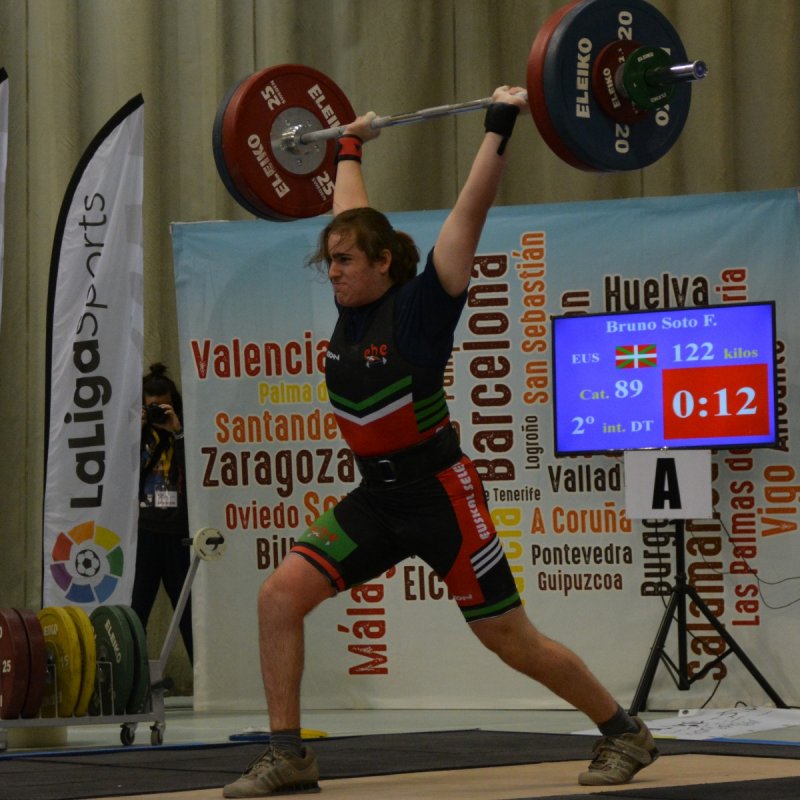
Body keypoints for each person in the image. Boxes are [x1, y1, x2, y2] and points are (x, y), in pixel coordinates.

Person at [223, 86, 657, 798]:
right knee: (279, 596)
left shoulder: (424, 307)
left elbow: (469, 213)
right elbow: (350, 218)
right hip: (378, 498)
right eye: (329, 261)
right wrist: (348, 145)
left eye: (344, 262)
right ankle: (288, 756)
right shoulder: (351, 298)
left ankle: (624, 731)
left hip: (441, 497)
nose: (333, 272)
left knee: (508, 638)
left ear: (383, 263)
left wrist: (499, 123)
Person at [132, 362, 194, 665]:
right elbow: (117, 473)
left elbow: (197, 473)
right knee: (136, 610)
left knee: (188, 611)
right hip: (143, 531)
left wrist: (178, 432)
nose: (158, 414)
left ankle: (201, 676)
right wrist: (135, 430)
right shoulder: (133, 435)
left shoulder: (183, 432)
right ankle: (132, 678)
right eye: (151, 408)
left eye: (162, 407)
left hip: (178, 532)